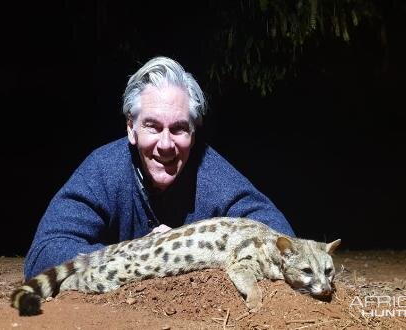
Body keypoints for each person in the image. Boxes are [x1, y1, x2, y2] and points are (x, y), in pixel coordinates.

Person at [24, 56, 295, 279]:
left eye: (179, 129)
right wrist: (144, 254)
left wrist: (191, 256)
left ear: (194, 132)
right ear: (131, 128)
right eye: (152, 126)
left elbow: (283, 241)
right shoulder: (103, 169)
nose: (165, 144)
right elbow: (43, 256)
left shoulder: (214, 175)